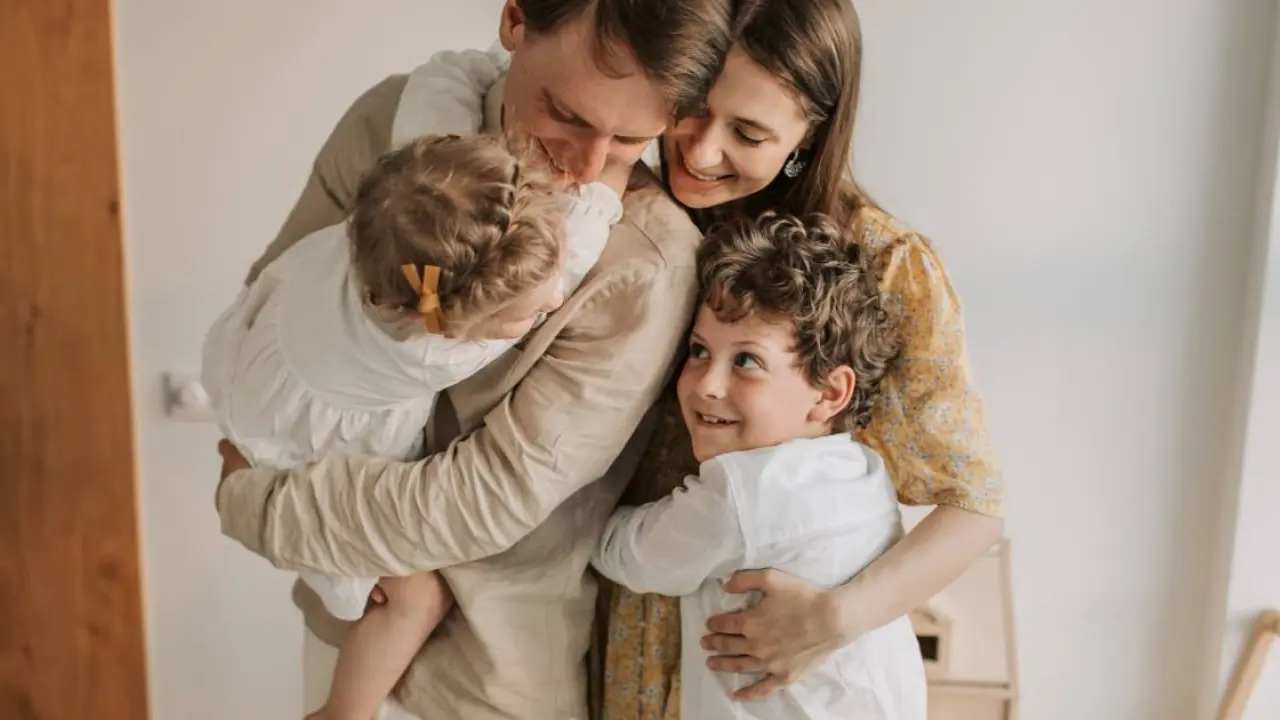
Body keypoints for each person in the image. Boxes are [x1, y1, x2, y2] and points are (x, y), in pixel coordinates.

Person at [213, 1, 733, 719]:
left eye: (629, 141)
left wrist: (258, 505)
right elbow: (278, 304)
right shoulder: (387, 123)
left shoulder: (646, 262)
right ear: (515, 21)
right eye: (567, 115)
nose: (586, 168)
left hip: (484, 681)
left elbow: (490, 496)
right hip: (341, 623)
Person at [602, 0, 1005, 717]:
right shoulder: (618, 209)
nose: (699, 151)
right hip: (621, 631)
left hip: (762, 661)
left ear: (809, 134)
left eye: (748, 132)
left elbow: (973, 509)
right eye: (692, 107)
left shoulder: (886, 267)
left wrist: (834, 620)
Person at [204, 132, 623, 720]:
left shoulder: (382, 226)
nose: (554, 301)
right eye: (528, 315)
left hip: (254, 375)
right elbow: (574, 261)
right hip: (296, 442)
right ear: (451, 322)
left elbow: (433, 101)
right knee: (414, 593)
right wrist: (605, 192)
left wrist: (461, 81)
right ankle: (343, 712)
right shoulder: (429, 349)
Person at [591, 211, 927, 720]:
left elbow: (628, 554)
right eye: (699, 351)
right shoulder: (863, 470)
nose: (707, 384)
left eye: (746, 361)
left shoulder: (745, 491)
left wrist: (582, 502)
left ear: (829, 393)